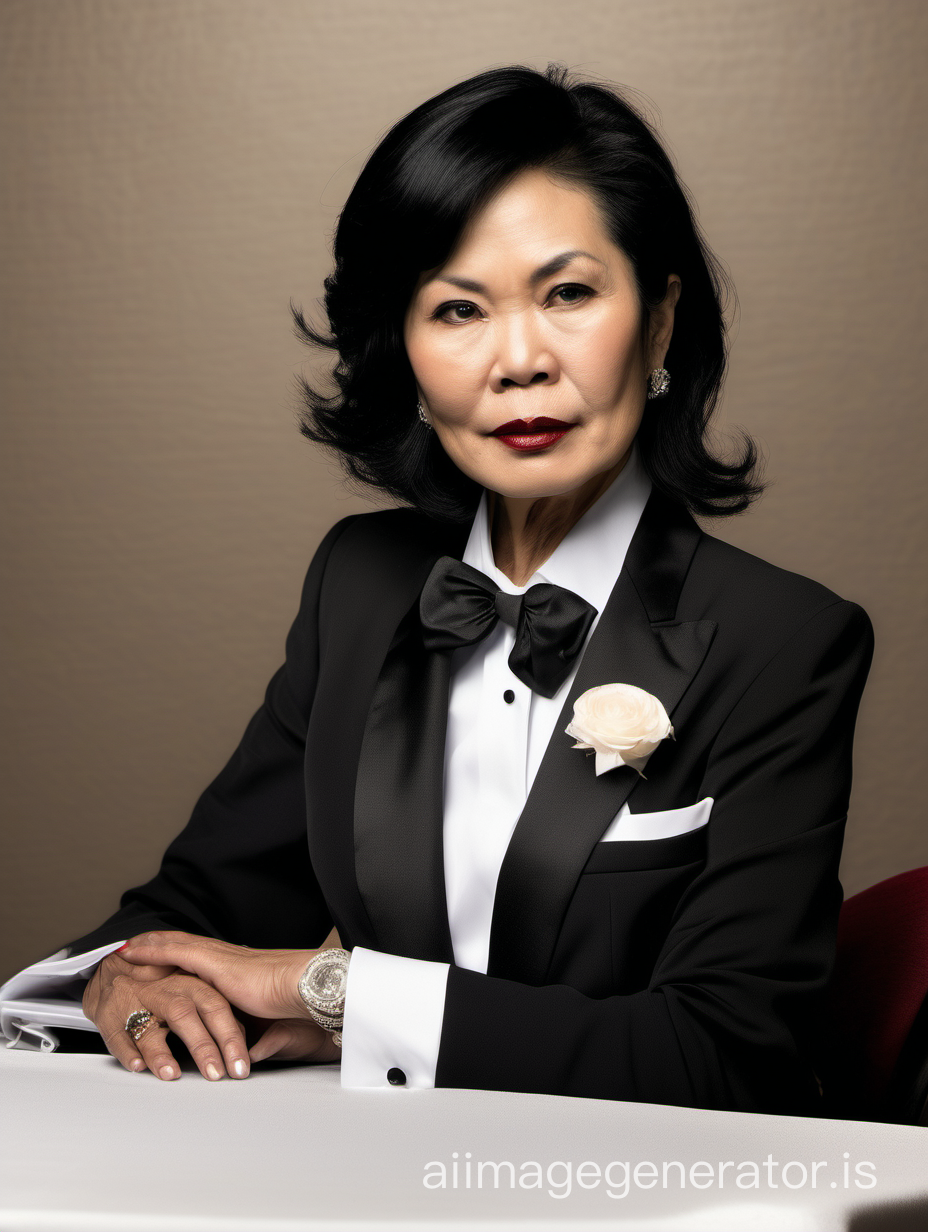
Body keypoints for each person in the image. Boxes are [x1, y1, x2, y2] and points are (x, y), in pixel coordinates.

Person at [0, 64, 873, 1115]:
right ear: (404, 352)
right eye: (457, 308)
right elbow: (193, 905)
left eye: (568, 294)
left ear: (657, 320)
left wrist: (334, 991)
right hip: (372, 1178)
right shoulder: (359, 584)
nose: (517, 361)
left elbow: (727, 1056)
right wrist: (121, 977)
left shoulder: (785, 640)